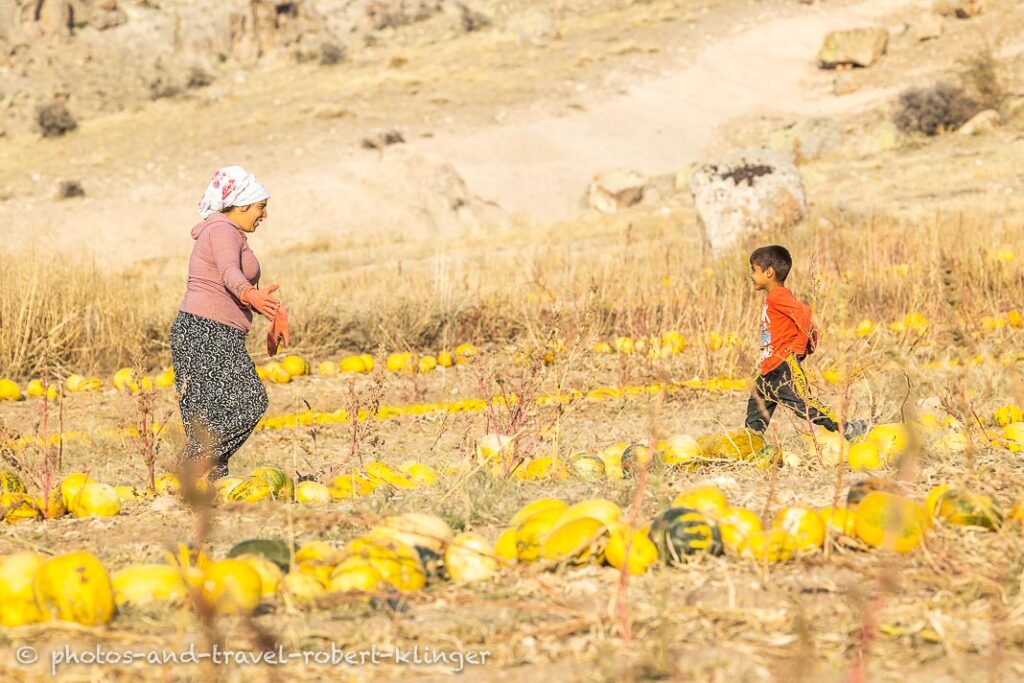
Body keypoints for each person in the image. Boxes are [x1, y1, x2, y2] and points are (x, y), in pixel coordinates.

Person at [169, 166, 291, 481]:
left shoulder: (228, 232)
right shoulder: (221, 230)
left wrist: (267, 309)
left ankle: (203, 486)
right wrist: (251, 294)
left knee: (210, 419)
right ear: (241, 204)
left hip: (209, 330)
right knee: (250, 402)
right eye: (261, 206)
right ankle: (189, 471)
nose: (265, 214)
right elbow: (229, 274)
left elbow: (230, 285)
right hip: (204, 331)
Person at [743, 245, 866, 441]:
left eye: (753, 269)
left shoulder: (778, 296)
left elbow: (805, 313)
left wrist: (799, 347)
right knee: (757, 404)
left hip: (783, 367)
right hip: (769, 370)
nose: (751, 275)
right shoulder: (773, 297)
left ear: (769, 272)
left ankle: (848, 428)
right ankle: (751, 443)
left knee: (804, 405)